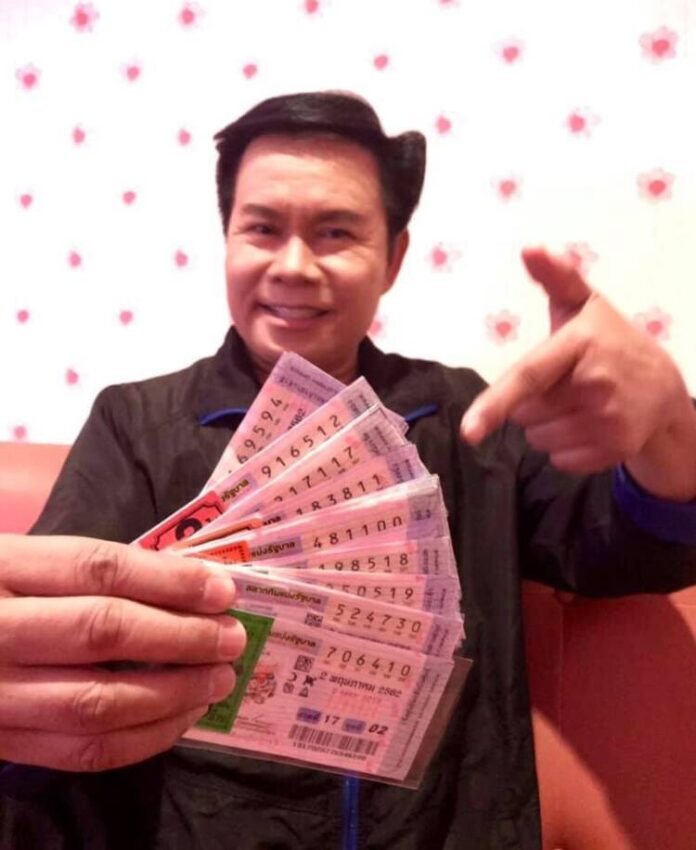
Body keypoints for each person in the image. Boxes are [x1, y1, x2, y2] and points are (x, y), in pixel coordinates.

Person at [1, 91, 695, 850]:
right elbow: (49, 659)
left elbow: (637, 544)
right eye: (262, 229)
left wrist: (668, 425)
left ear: (393, 258)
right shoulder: (137, 423)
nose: (294, 266)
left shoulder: (467, 417)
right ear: (227, 242)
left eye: (335, 233)